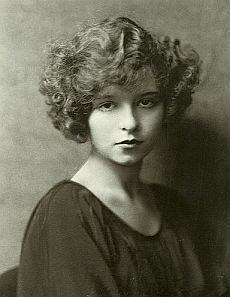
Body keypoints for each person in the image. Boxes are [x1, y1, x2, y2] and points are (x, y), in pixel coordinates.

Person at [17, 16, 224, 297]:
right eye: (108, 104)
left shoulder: (174, 209)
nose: (130, 122)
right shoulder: (67, 213)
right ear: (82, 113)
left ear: (167, 107)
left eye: (146, 101)